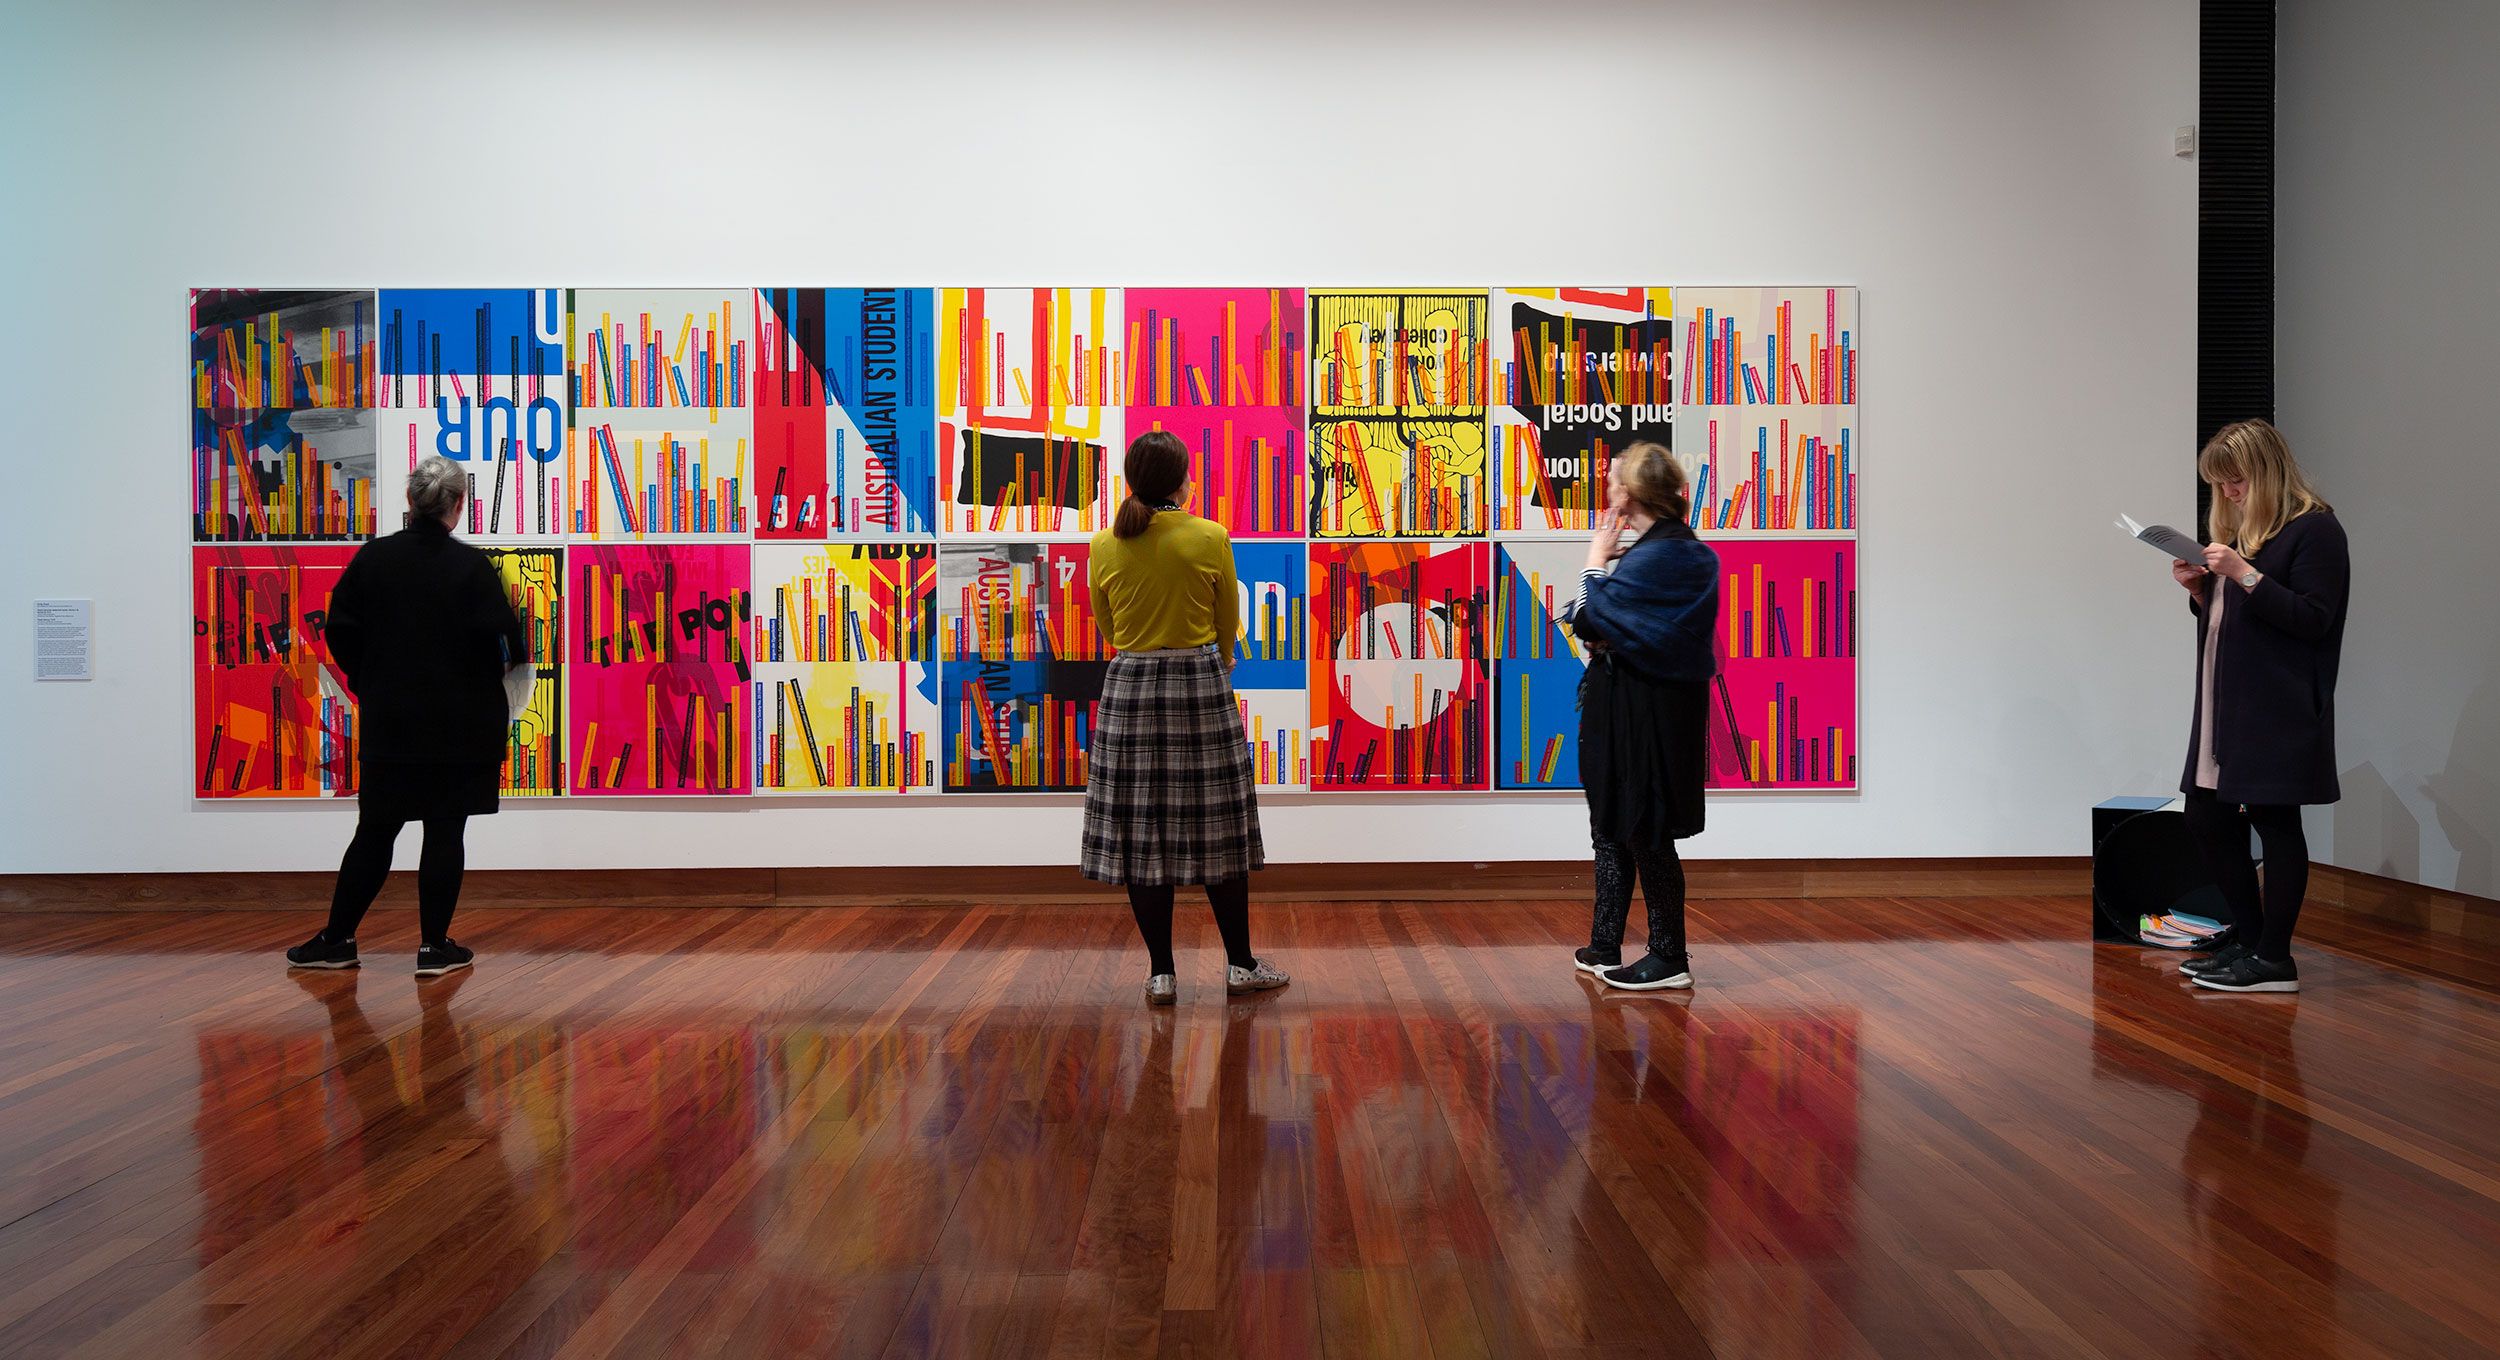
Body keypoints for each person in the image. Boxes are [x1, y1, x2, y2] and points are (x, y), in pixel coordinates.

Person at [286, 456, 526, 977]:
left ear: (410, 501)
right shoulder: (471, 567)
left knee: (375, 831)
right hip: (461, 726)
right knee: (445, 831)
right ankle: (434, 948)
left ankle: (337, 940)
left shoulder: (374, 559)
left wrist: (370, 681)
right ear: (457, 505)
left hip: (392, 722)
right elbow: (507, 642)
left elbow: (340, 630)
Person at [1081, 431, 1286, 1005]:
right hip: (1199, 684)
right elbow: (1226, 625)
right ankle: (1240, 965)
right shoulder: (1211, 535)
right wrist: (1215, 659)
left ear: (1132, 481)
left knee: (1141, 834)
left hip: (1130, 687)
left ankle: (1161, 974)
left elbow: (1109, 628)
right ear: (1181, 481)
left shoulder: (1103, 543)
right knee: (1218, 827)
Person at [2168, 419, 2349, 994]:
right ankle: (2250, 940)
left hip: (2276, 707)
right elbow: (2239, 623)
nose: (2229, 493)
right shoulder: (2248, 536)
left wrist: (2243, 574)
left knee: (2275, 821)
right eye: (2220, 484)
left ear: (2267, 472)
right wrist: (2201, 591)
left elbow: (2314, 619)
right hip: (2227, 704)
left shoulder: (2315, 530)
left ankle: (2274, 959)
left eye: (2237, 481)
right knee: (2205, 817)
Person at [1563, 442, 1720, 992]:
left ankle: (1669, 955)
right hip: (1628, 704)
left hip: (1647, 712)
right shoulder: (1665, 551)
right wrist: (1603, 602)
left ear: (1628, 493)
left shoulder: (1668, 556)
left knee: (1644, 827)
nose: (1606, 488)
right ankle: (1605, 943)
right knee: (1612, 822)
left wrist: (1594, 561)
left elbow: (1589, 617)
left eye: (1612, 480)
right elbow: (1603, 619)